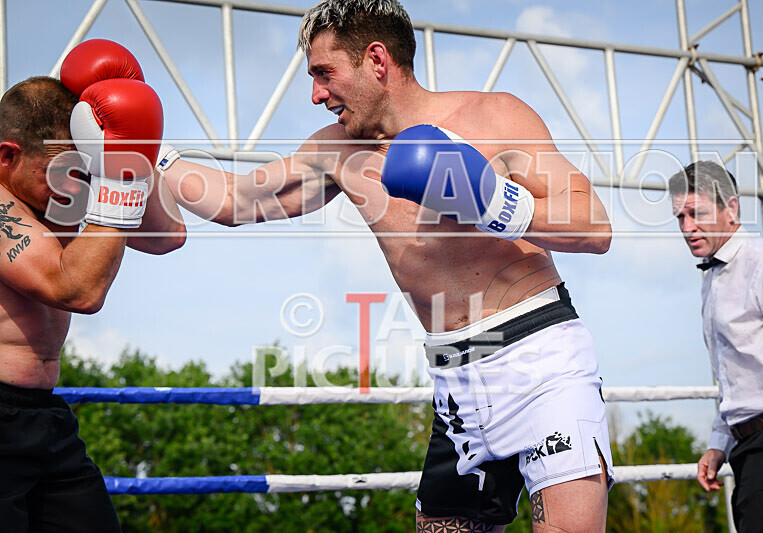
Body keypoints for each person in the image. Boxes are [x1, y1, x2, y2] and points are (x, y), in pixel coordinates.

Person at [157, 0, 614, 530]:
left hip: (541, 363)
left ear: (377, 60)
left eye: (325, 73)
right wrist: (149, 151)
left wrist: (490, 201)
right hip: (457, 386)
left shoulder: (494, 117)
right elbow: (235, 201)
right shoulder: (339, 152)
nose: (315, 94)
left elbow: (595, 226)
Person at [0, 41, 185, 531]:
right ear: (7, 156)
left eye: (78, 172)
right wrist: (116, 187)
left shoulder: (58, 188)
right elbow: (76, 290)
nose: (70, 187)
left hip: (43, 420)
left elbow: (168, 235)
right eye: (55, 173)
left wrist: (128, 156)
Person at [669, 161, 763, 532]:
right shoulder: (714, 276)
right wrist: (718, 443)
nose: (687, 227)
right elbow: (738, 375)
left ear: (731, 209)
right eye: (679, 216)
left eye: (696, 214)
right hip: (751, 449)